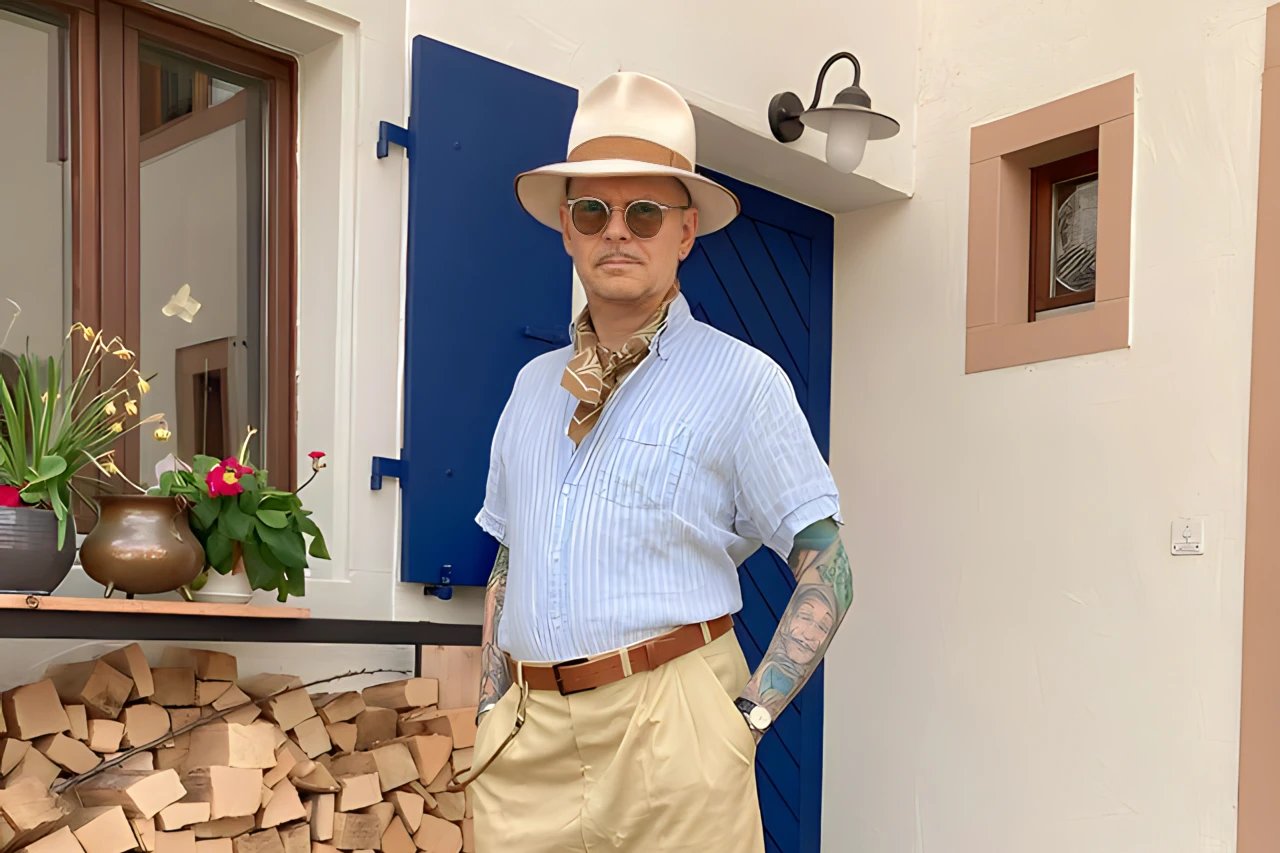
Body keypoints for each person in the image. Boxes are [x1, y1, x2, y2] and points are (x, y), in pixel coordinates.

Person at [465, 71, 854, 853]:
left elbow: (830, 568)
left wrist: (744, 722)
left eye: (644, 211)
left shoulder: (743, 380)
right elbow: (510, 558)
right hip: (529, 739)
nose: (618, 231)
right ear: (567, 232)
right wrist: (489, 710)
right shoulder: (531, 388)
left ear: (685, 232)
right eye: (592, 211)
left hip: (674, 733)